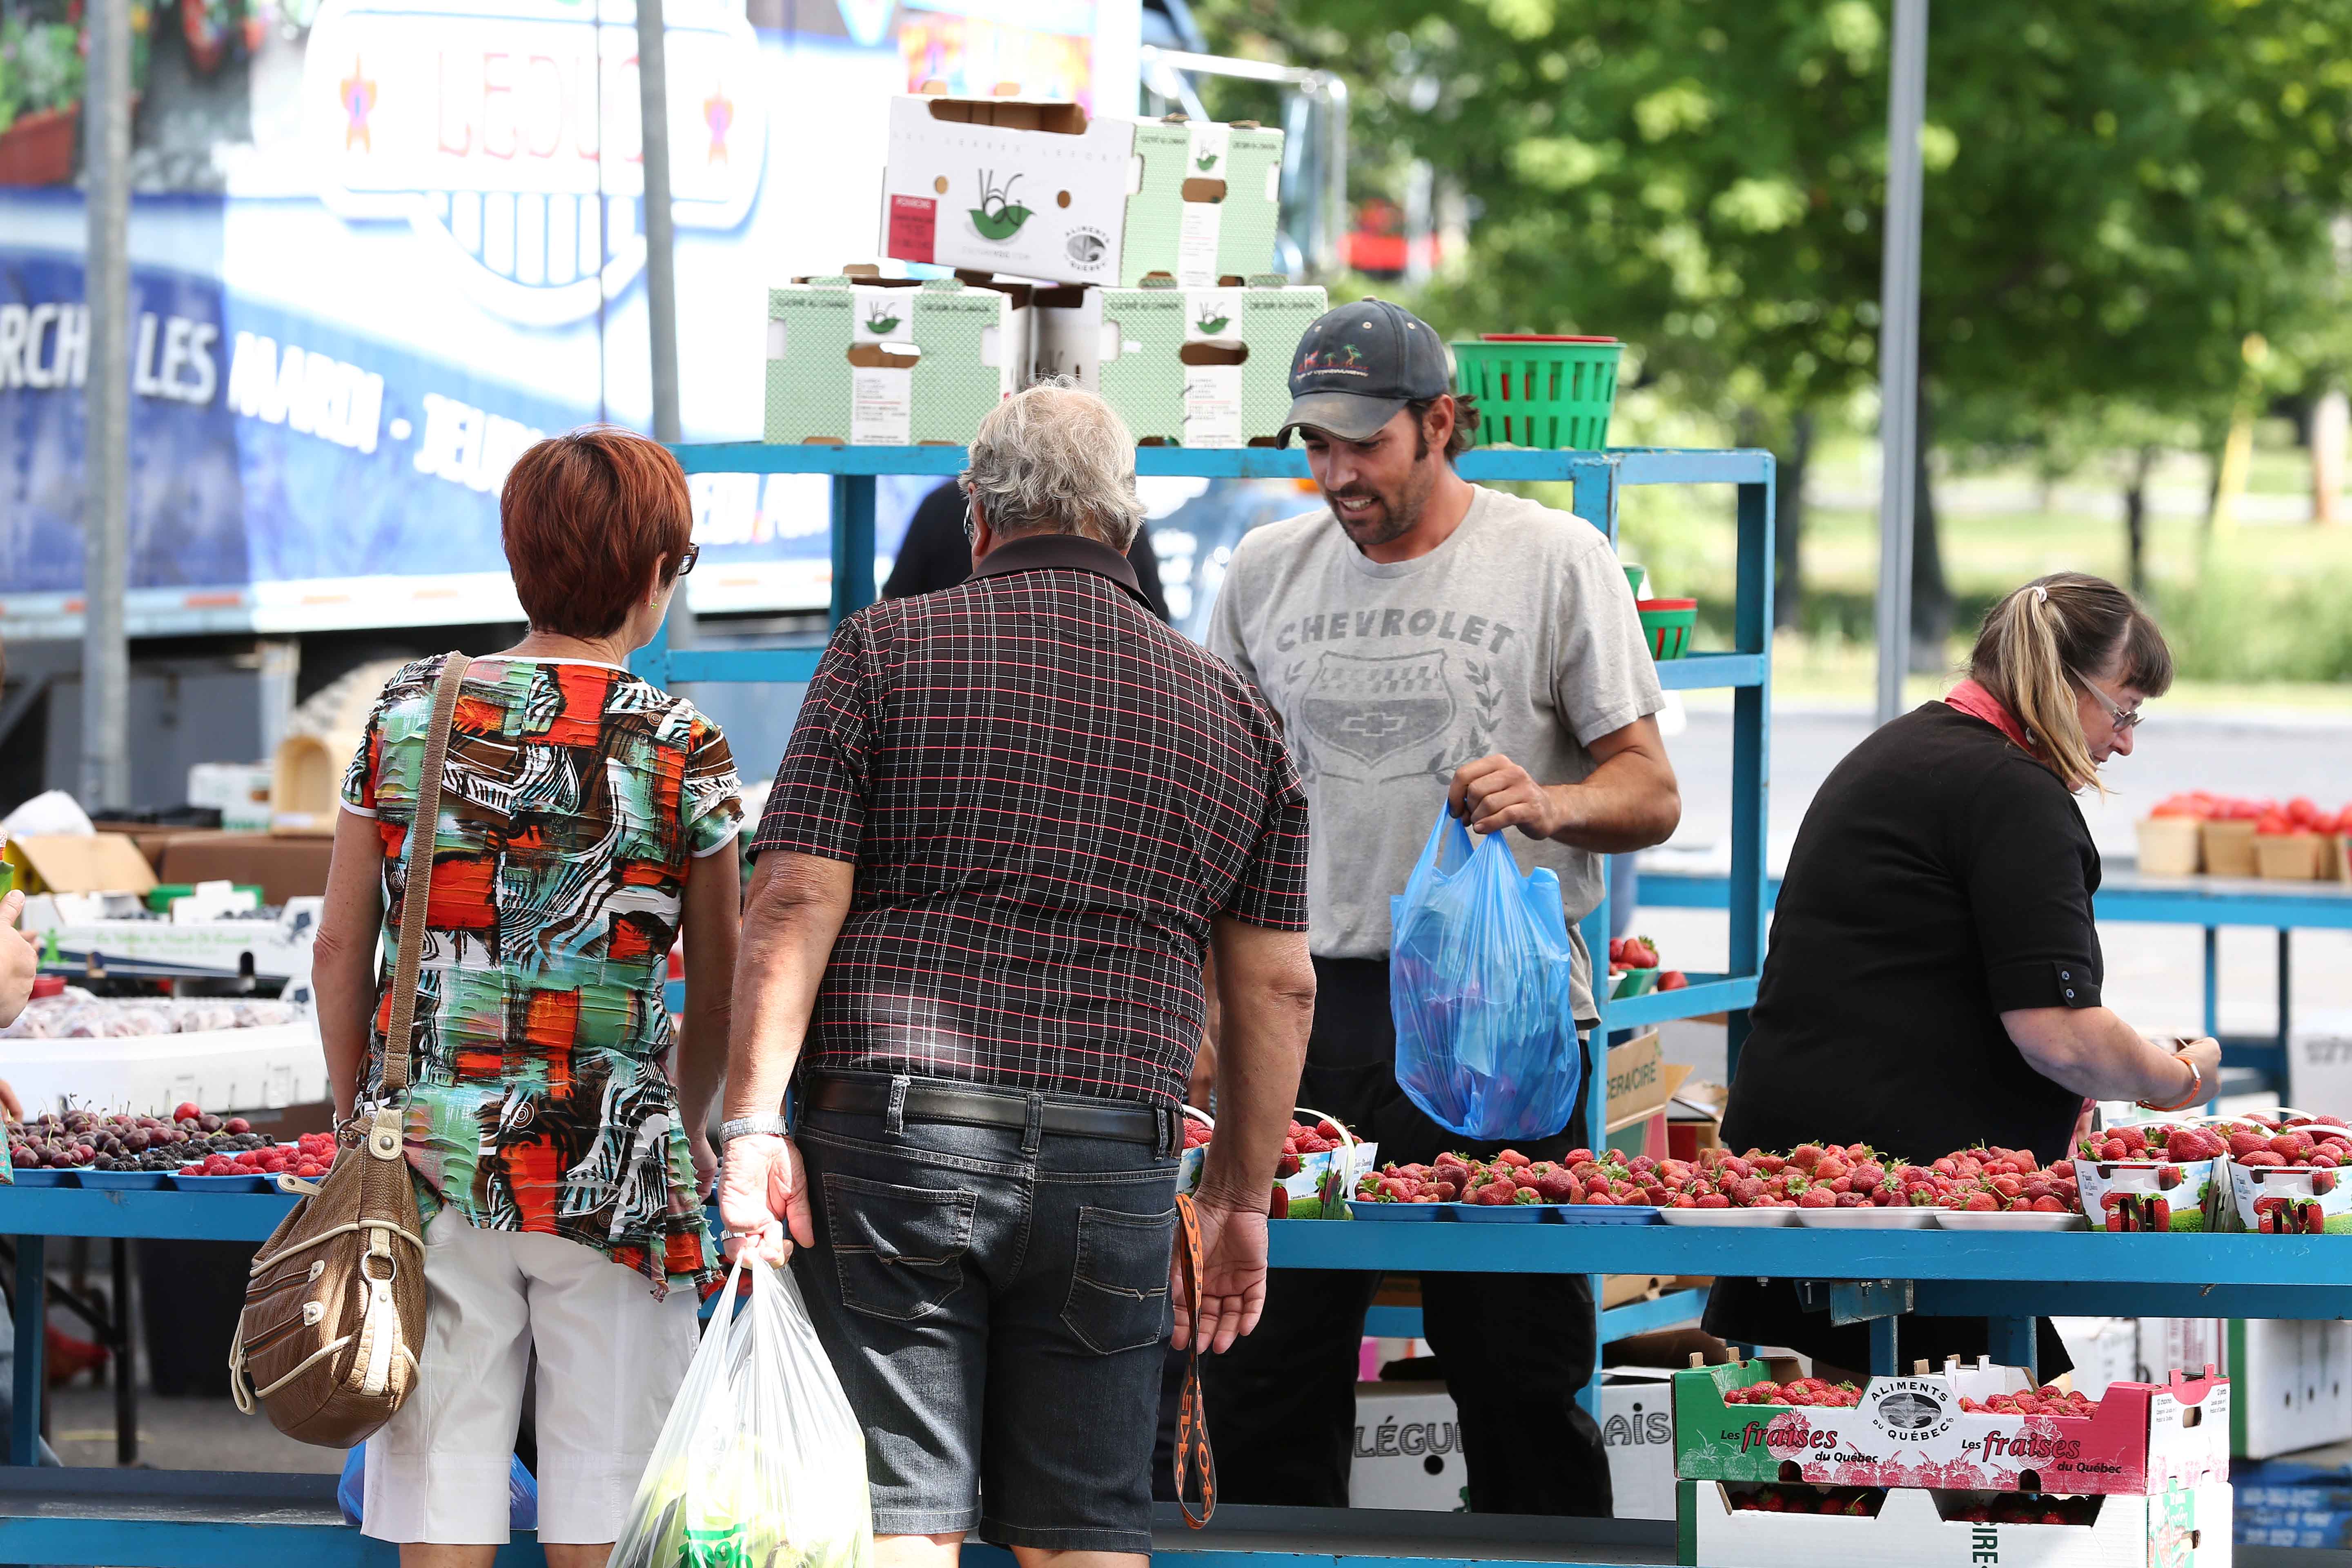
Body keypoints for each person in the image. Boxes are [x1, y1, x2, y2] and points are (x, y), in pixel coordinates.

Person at [718, 383, 1316, 1567]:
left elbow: (790, 896)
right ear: (1129, 530)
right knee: (1083, 1532)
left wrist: (750, 1123)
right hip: (1118, 1154)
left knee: (901, 1521)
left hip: (895, 1149)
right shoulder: (1237, 714)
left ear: (976, 519)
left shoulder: (883, 654)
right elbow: (1279, 988)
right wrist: (1242, 1196)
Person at [1201, 298, 1680, 1517]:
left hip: (1499, 1008)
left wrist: (1550, 802)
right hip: (1305, 1007)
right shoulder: (1265, 570)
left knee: (1516, 1357)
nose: (1338, 471)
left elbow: (1651, 790)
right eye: (1317, 443)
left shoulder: (1553, 558)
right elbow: (1209, 789)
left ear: (1442, 422)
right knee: (1267, 1354)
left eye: (1365, 441)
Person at [312, 426, 743, 1564]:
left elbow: (339, 950)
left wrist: (357, 1108)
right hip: (618, 1164)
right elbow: (725, 981)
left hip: (432, 1154)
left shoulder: (410, 716)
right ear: (654, 572)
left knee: (440, 1503)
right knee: (608, 1509)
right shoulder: (682, 748)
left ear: (521, 557)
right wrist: (692, 1117)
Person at [1706, 572, 2216, 1376]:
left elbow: (1955, 980)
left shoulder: (1910, 749)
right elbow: (2062, 1035)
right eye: (2123, 710)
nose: (2123, 741)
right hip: (1897, 1201)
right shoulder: (2012, 793)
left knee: (1875, 1455)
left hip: (1835, 1175)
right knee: (1975, 1456)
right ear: (2060, 683)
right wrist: (2177, 1077)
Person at [882, 477, 1173, 620]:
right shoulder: (1202, 684)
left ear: (979, 519)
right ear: (1124, 541)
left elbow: (892, 600)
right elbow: (1157, 616)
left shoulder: (882, 647)